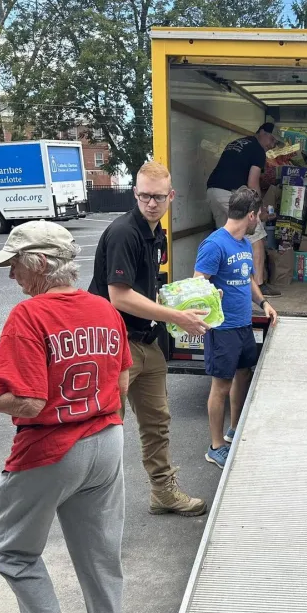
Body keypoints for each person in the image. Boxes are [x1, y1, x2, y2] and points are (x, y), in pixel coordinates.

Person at [0, 220, 132, 613]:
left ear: (42, 265)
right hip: (107, 440)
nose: (13, 277)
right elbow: (122, 380)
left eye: (16, 266)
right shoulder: (105, 310)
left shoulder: (30, 317)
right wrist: (103, 423)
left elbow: (27, 402)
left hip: (51, 448)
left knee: (13, 550)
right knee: (100, 557)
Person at [90, 161, 207, 517]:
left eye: (157, 197)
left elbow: (144, 290)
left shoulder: (156, 233)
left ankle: (163, 492)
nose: (150, 203)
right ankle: (95, 507)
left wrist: (174, 302)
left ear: (170, 197)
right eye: (143, 196)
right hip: (115, 344)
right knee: (105, 430)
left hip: (146, 341)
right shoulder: (125, 232)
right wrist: (177, 317)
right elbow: (119, 296)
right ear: (135, 194)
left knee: (157, 423)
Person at [194, 186, 278, 469]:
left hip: (243, 325)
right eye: (259, 215)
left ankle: (233, 429)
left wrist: (263, 302)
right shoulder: (215, 244)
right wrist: (209, 298)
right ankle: (215, 446)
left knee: (243, 374)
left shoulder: (243, 243)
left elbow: (249, 280)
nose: (260, 221)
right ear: (251, 215)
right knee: (221, 385)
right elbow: (197, 283)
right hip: (223, 329)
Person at [207, 123, 282, 297]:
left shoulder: (238, 143)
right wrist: (258, 210)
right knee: (257, 235)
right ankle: (259, 285)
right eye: (271, 139)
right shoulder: (257, 150)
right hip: (230, 193)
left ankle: (222, 283)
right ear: (261, 132)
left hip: (212, 191)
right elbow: (253, 182)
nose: (272, 144)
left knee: (224, 237)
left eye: (275, 143)